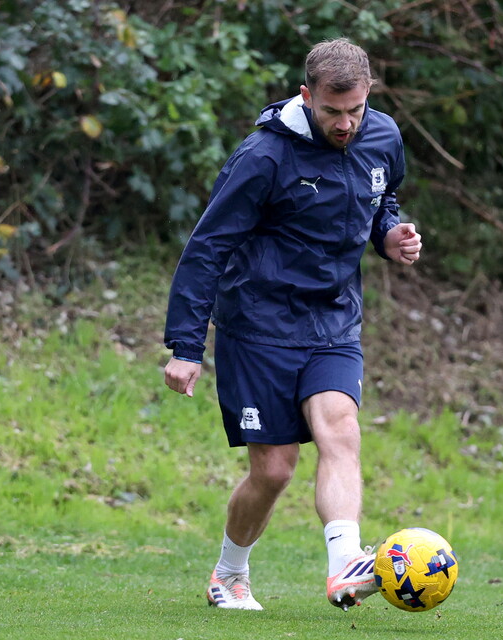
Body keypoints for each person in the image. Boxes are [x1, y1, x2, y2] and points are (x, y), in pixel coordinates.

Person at [162, 38, 421, 612]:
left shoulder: (384, 136)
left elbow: (383, 201)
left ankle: (345, 565)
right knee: (274, 471)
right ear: (307, 97)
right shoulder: (263, 157)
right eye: (333, 112)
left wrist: (390, 237)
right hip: (258, 327)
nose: (347, 124)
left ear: (368, 94)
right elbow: (206, 250)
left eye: (355, 109)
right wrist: (185, 346)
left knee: (340, 430)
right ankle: (229, 575)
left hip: (333, 319)